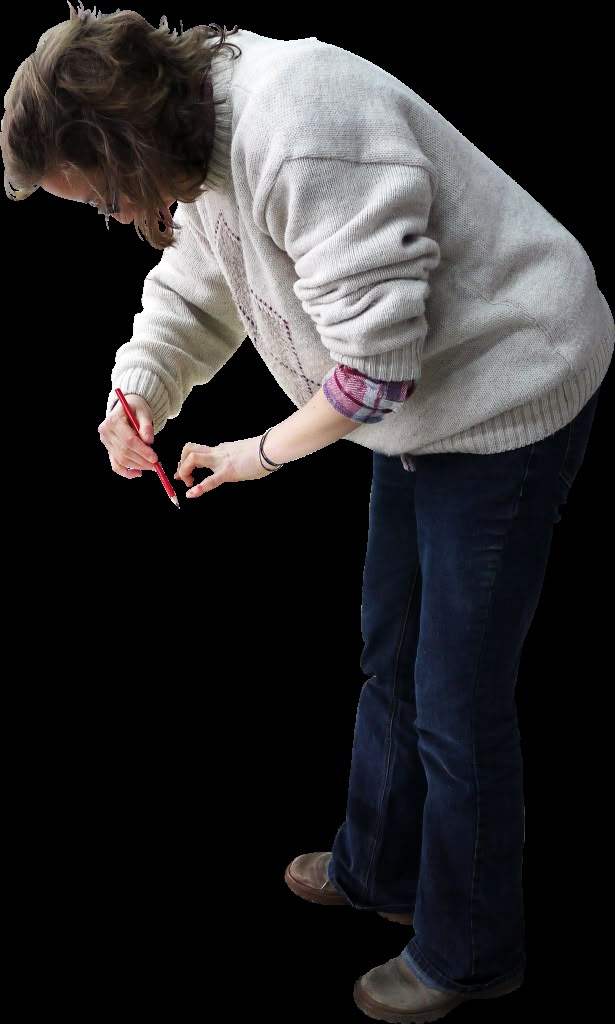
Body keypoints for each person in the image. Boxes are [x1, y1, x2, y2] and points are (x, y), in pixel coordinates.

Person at [2, 5, 611, 1020]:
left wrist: (254, 454)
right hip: (424, 404)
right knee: (390, 647)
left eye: (104, 198)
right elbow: (208, 268)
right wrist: (141, 387)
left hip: (506, 388)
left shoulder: (302, 128)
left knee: (456, 694)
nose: (112, 217)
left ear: (129, 144)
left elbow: (373, 378)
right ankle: (380, 868)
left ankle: (470, 950)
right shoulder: (196, 131)